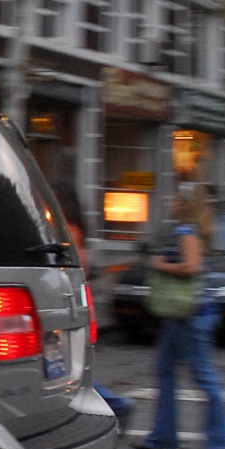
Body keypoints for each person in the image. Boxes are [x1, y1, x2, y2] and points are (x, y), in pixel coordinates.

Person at [135, 183, 225, 449]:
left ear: (184, 204)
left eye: (174, 198)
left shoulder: (186, 232)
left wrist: (162, 266)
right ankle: (163, 437)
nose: (169, 201)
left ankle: (221, 446)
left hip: (190, 315)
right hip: (186, 314)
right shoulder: (194, 230)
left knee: (204, 378)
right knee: (165, 370)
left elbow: (191, 267)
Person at [53, 182, 134, 431]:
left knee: (68, 370)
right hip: (75, 308)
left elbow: (69, 271)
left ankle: (114, 404)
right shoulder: (74, 231)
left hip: (70, 309)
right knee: (68, 369)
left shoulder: (67, 232)